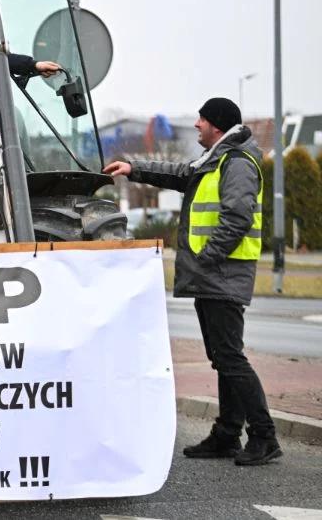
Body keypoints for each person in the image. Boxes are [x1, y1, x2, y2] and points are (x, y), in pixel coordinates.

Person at [104, 97, 279, 466]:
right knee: (222, 358)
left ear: (217, 125)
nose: (196, 124)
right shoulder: (214, 160)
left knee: (230, 357)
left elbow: (237, 218)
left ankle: (264, 436)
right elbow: (178, 174)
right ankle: (227, 434)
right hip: (214, 275)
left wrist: (206, 258)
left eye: (202, 119)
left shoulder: (237, 163)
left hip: (222, 274)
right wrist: (133, 169)